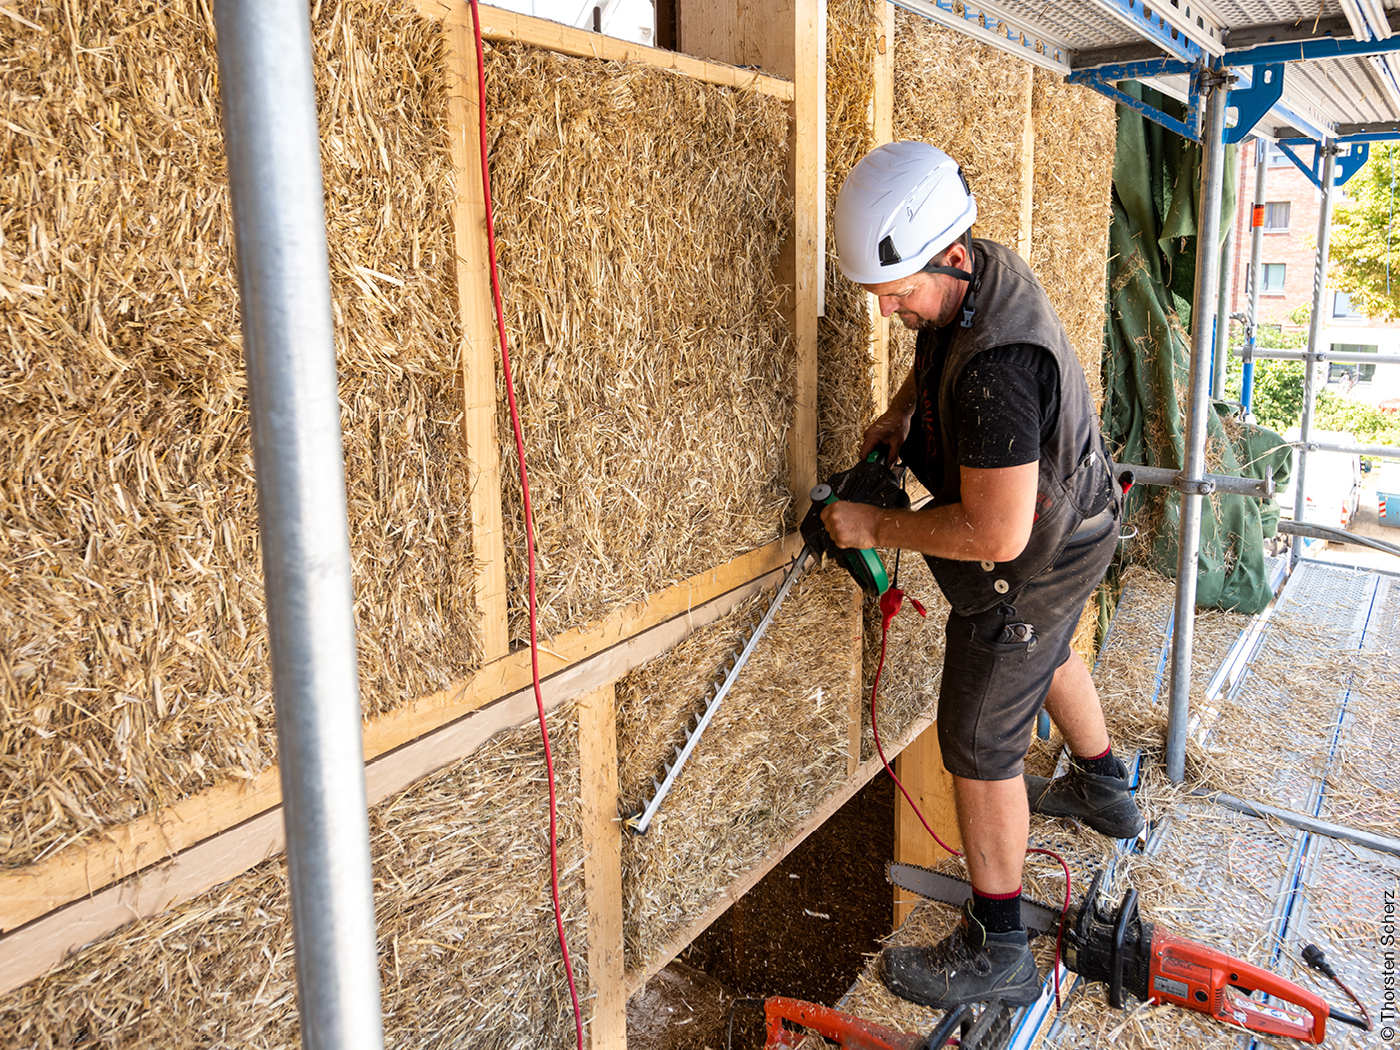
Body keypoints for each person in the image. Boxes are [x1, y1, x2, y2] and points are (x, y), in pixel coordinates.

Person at [826, 141, 1144, 1008]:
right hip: (1081, 520)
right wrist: (900, 414)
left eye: (899, 293)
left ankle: (998, 944)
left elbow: (996, 534)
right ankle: (1107, 789)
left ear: (953, 258)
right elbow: (935, 346)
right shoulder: (974, 277)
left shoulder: (1000, 369)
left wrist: (874, 523)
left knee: (977, 736)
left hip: (1036, 550)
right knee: (1045, 650)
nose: (891, 310)